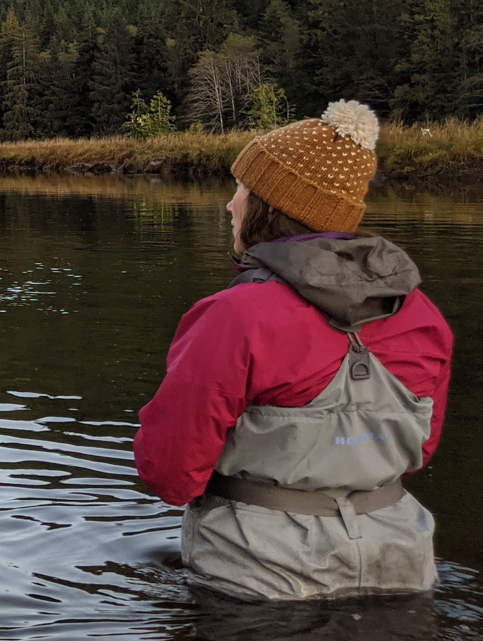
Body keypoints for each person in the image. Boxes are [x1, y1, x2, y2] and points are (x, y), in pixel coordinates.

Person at [135, 101, 453, 602]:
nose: (229, 205)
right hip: (401, 561)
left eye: (241, 189)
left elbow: (169, 471)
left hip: (261, 573)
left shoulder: (235, 315)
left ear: (270, 206)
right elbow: (419, 451)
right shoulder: (422, 313)